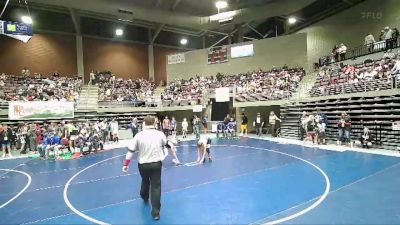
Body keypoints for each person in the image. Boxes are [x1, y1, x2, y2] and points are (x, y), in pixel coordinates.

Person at [122, 115, 166, 220]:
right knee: (156, 186)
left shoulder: (138, 135)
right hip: (156, 164)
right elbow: (165, 144)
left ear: (144, 123)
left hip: (143, 165)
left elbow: (130, 151)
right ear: (154, 123)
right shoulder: (160, 134)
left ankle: (144, 195)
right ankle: (156, 212)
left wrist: (125, 164)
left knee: (145, 180)